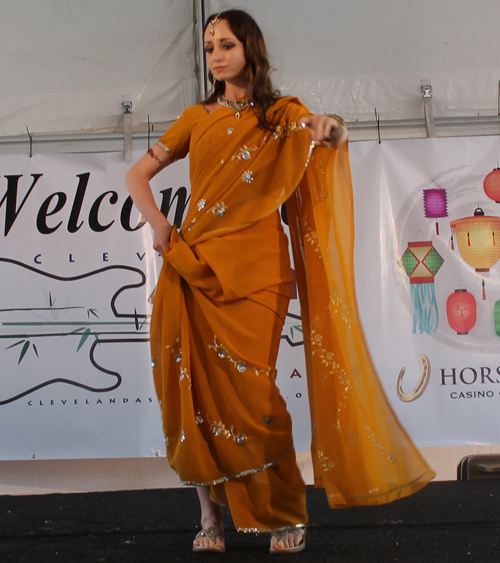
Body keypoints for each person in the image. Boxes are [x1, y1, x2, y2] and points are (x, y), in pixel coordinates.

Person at [125, 9, 435, 555]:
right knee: (189, 390)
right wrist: (159, 224)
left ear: (250, 48)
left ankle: (286, 512)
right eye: (209, 47)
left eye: (225, 44)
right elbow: (137, 174)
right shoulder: (196, 117)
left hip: (259, 274)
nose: (216, 55)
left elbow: (329, 131)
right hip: (190, 265)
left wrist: (326, 128)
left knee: (254, 394)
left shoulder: (282, 116)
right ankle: (209, 519)